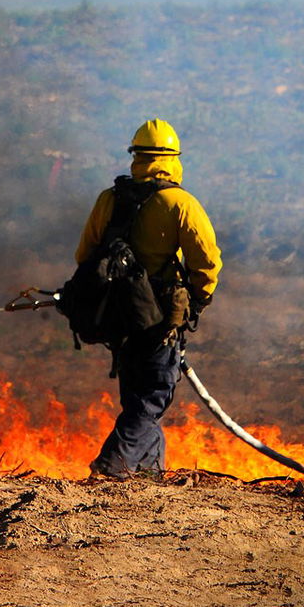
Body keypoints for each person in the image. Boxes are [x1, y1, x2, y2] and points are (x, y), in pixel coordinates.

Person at [75, 119, 222, 478]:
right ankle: (111, 467)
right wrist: (197, 302)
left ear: (136, 156)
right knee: (152, 396)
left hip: (117, 316)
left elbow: (84, 255)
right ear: (173, 158)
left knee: (138, 397)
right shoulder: (180, 203)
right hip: (158, 319)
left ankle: (147, 475)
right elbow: (207, 262)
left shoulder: (109, 199)